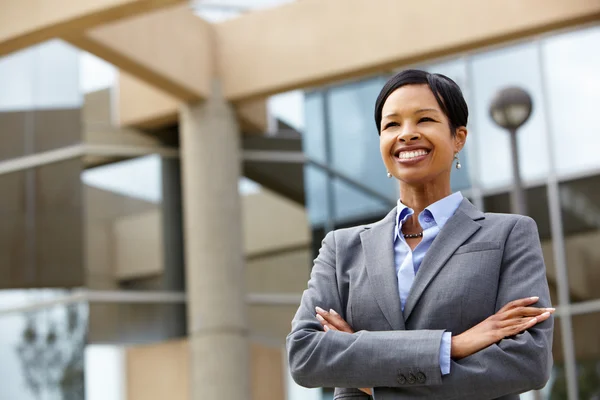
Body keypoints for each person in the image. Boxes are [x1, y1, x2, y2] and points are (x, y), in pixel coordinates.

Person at [286, 69, 554, 400]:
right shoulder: (342, 249)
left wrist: (373, 382)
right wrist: (451, 345)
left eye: (424, 120)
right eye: (392, 125)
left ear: (458, 138)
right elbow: (305, 355)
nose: (407, 134)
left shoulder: (509, 234)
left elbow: (527, 363)